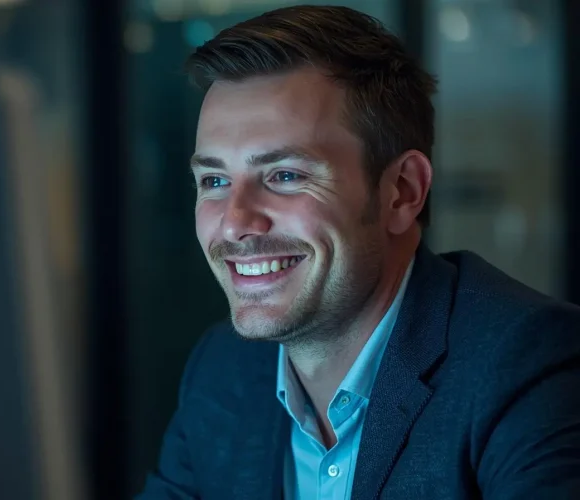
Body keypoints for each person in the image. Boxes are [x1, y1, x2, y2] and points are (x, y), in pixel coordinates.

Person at [136, 5, 580, 500]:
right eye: (215, 181)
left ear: (402, 192)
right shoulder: (223, 371)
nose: (236, 222)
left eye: (285, 175)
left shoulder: (527, 365)